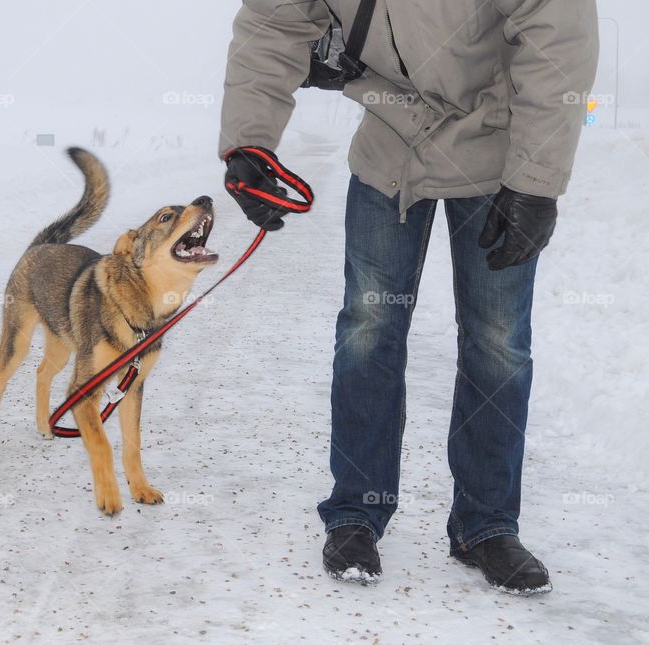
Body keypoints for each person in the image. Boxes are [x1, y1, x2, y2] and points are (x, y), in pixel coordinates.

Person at [219, 0, 598, 595]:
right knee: (369, 326)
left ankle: (487, 525)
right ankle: (355, 513)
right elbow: (275, 22)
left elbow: (559, 41)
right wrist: (248, 142)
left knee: (498, 341)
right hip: (389, 147)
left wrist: (536, 184)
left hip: (500, 149)